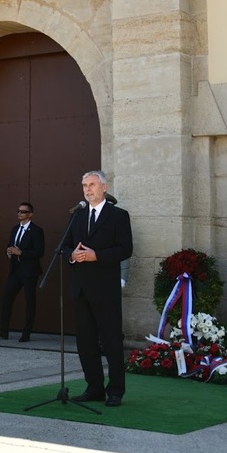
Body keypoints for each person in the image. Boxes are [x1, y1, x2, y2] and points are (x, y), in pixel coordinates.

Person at [63, 170, 133, 408]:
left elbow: (125, 249)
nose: (87, 189)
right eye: (84, 185)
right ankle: (94, 388)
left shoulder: (118, 216)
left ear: (104, 187)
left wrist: (97, 256)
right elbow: (64, 247)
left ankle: (115, 390)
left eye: (92, 184)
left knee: (111, 341)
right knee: (86, 342)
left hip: (105, 289)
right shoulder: (77, 216)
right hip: (81, 289)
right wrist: (71, 255)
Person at [0, 202, 45, 342]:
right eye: (18, 211)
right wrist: (9, 252)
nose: (20, 214)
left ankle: (26, 333)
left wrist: (21, 253)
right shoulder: (15, 229)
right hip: (16, 270)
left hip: (30, 272)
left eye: (23, 212)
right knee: (6, 297)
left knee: (29, 302)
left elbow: (39, 252)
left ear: (30, 214)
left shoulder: (36, 231)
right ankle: (3, 330)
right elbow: (10, 245)